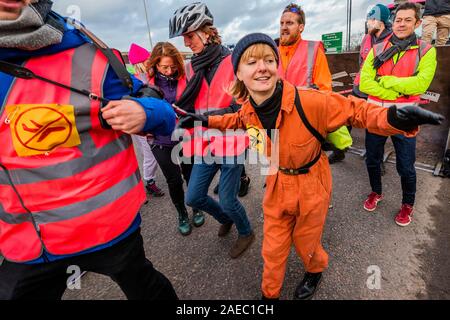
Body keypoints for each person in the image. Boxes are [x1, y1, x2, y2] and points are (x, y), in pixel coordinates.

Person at [178, 33, 443, 300]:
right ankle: (269, 296)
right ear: (238, 73)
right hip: (277, 183)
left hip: (311, 185)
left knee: (306, 242)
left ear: (277, 66)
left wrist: (394, 117)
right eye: (252, 62)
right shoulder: (249, 110)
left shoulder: (310, 101)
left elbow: (356, 110)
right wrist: (201, 120)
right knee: (272, 249)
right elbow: (235, 120)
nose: (262, 67)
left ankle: (315, 270)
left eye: (269, 59)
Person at [0, 0, 177, 300]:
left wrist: (144, 111)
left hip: (109, 232)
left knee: (146, 288)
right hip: (29, 245)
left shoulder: (88, 53)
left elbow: (164, 112)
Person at [169, 2, 254, 259]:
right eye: (184, 37)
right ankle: (225, 218)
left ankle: (246, 231)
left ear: (207, 32)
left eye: (190, 36)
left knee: (228, 198)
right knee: (194, 197)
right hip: (205, 145)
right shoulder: (190, 68)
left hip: (231, 143)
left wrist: (204, 118)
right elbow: (182, 101)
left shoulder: (233, 62)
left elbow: (240, 108)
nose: (186, 43)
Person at [360, 2, 437, 227]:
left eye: (407, 20)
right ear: (393, 21)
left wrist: (387, 81)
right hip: (376, 115)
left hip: (404, 119)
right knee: (372, 160)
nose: (401, 24)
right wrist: (399, 91)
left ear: (418, 23)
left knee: (405, 165)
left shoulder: (426, 51)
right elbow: (365, 83)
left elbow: (420, 85)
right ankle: (376, 192)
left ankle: (407, 204)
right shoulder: (377, 49)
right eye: (398, 20)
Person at [145, 41, 205, 236]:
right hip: (160, 140)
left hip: (186, 137)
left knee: (190, 175)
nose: (169, 71)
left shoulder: (187, 78)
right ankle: (182, 214)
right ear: (155, 64)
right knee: (174, 181)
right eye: (164, 67)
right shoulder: (146, 84)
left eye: (173, 66)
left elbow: (196, 105)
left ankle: (195, 205)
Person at [277, 3, 349, 164]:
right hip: (277, 121)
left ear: (301, 27)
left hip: (305, 122)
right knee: (276, 167)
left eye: (289, 23)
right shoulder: (272, 51)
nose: (284, 27)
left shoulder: (313, 49)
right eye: (281, 23)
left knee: (307, 169)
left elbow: (325, 89)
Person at [128, 43, 165, 198]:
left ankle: (149, 178)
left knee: (148, 152)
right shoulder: (138, 79)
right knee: (149, 153)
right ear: (142, 62)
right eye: (148, 58)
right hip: (140, 123)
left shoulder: (142, 77)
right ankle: (149, 181)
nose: (150, 61)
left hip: (142, 122)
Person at [353, 4, 393, 99]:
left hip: (379, 93)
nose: (368, 23)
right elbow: (361, 62)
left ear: (381, 21)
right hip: (359, 89)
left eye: (372, 20)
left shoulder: (393, 39)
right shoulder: (366, 38)